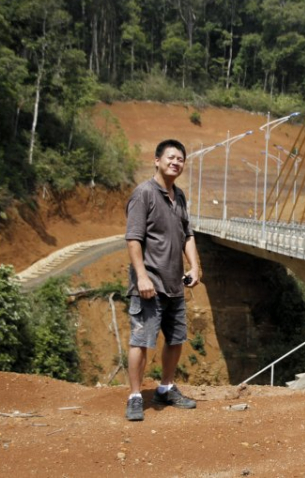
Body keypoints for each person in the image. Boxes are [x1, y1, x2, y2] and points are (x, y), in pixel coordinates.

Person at [124, 139, 200, 422]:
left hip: (174, 285)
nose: (176, 162)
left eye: (180, 159)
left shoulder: (178, 197)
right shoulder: (143, 194)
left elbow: (188, 235)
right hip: (149, 285)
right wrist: (142, 276)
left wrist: (195, 267)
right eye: (171, 157)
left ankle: (165, 388)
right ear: (157, 160)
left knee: (176, 338)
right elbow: (133, 238)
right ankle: (134, 396)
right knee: (141, 340)